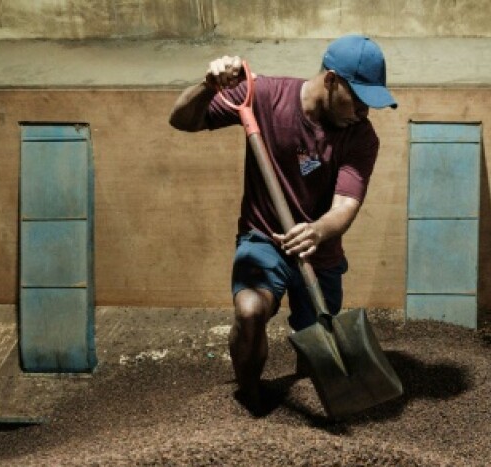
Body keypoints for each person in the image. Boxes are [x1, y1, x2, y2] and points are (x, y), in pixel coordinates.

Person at [169, 34, 397, 414]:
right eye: (357, 100)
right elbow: (182, 120)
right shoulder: (264, 96)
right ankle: (249, 403)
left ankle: (311, 417)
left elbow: (346, 203)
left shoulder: (361, 137)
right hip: (264, 237)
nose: (363, 112)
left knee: (315, 359)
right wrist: (206, 88)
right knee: (249, 312)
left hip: (319, 249)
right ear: (331, 80)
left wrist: (319, 230)